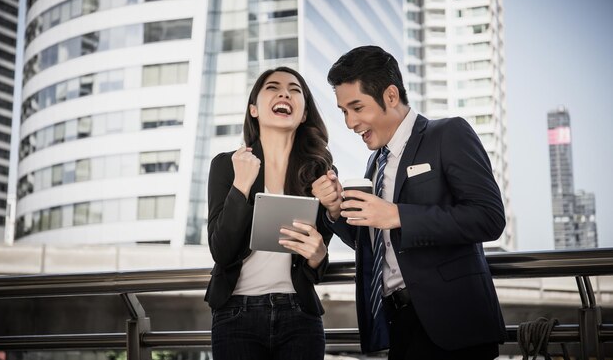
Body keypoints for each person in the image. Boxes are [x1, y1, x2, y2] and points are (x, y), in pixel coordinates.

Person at [311, 46, 506, 359]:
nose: (350, 122)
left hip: (456, 326)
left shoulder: (448, 134)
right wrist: (335, 210)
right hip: (399, 327)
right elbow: (372, 243)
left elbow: (489, 218)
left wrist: (398, 215)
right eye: (344, 111)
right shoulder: (374, 165)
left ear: (390, 96)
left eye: (357, 107)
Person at [206, 66, 334, 360]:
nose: (284, 93)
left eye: (295, 89)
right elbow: (221, 251)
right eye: (272, 87)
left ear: (303, 114)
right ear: (254, 109)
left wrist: (318, 255)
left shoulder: (320, 173)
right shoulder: (227, 165)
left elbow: (317, 263)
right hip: (235, 314)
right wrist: (241, 185)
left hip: (300, 315)